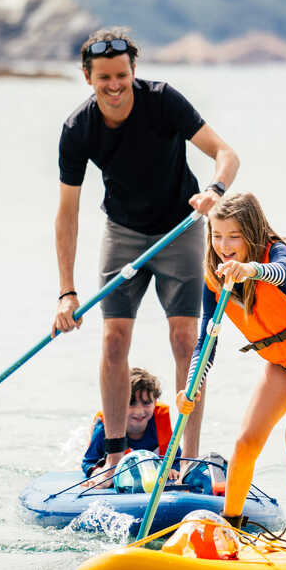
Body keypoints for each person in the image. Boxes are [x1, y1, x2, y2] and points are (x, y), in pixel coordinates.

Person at [52, 27, 239, 485]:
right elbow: (67, 215)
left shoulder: (163, 101)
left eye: (122, 75)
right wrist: (66, 293)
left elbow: (226, 154)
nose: (114, 86)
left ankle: (186, 461)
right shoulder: (78, 130)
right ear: (87, 77)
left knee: (184, 342)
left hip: (181, 230)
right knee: (113, 341)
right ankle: (114, 460)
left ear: (133, 71)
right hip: (123, 235)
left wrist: (214, 191)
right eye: (104, 79)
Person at [177, 192, 286, 555]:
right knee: (245, 442)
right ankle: (230, 529)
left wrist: (249, 269)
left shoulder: (274, 252)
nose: (223, 246)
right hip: (281, 362)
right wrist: (192, 387)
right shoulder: (214, 277)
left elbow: (280, 274)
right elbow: (207, 340)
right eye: (217, 236)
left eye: (233, 236)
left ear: (251, 234)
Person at [82, 367, 181, 481]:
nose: (139, 411)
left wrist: (172, 469)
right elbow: (88, 462)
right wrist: (96, 471)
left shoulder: (160, 423)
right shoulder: (103, 429)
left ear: (155, 401)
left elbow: (177, 459)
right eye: (131, 404)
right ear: (118, 404)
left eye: (146, 403)